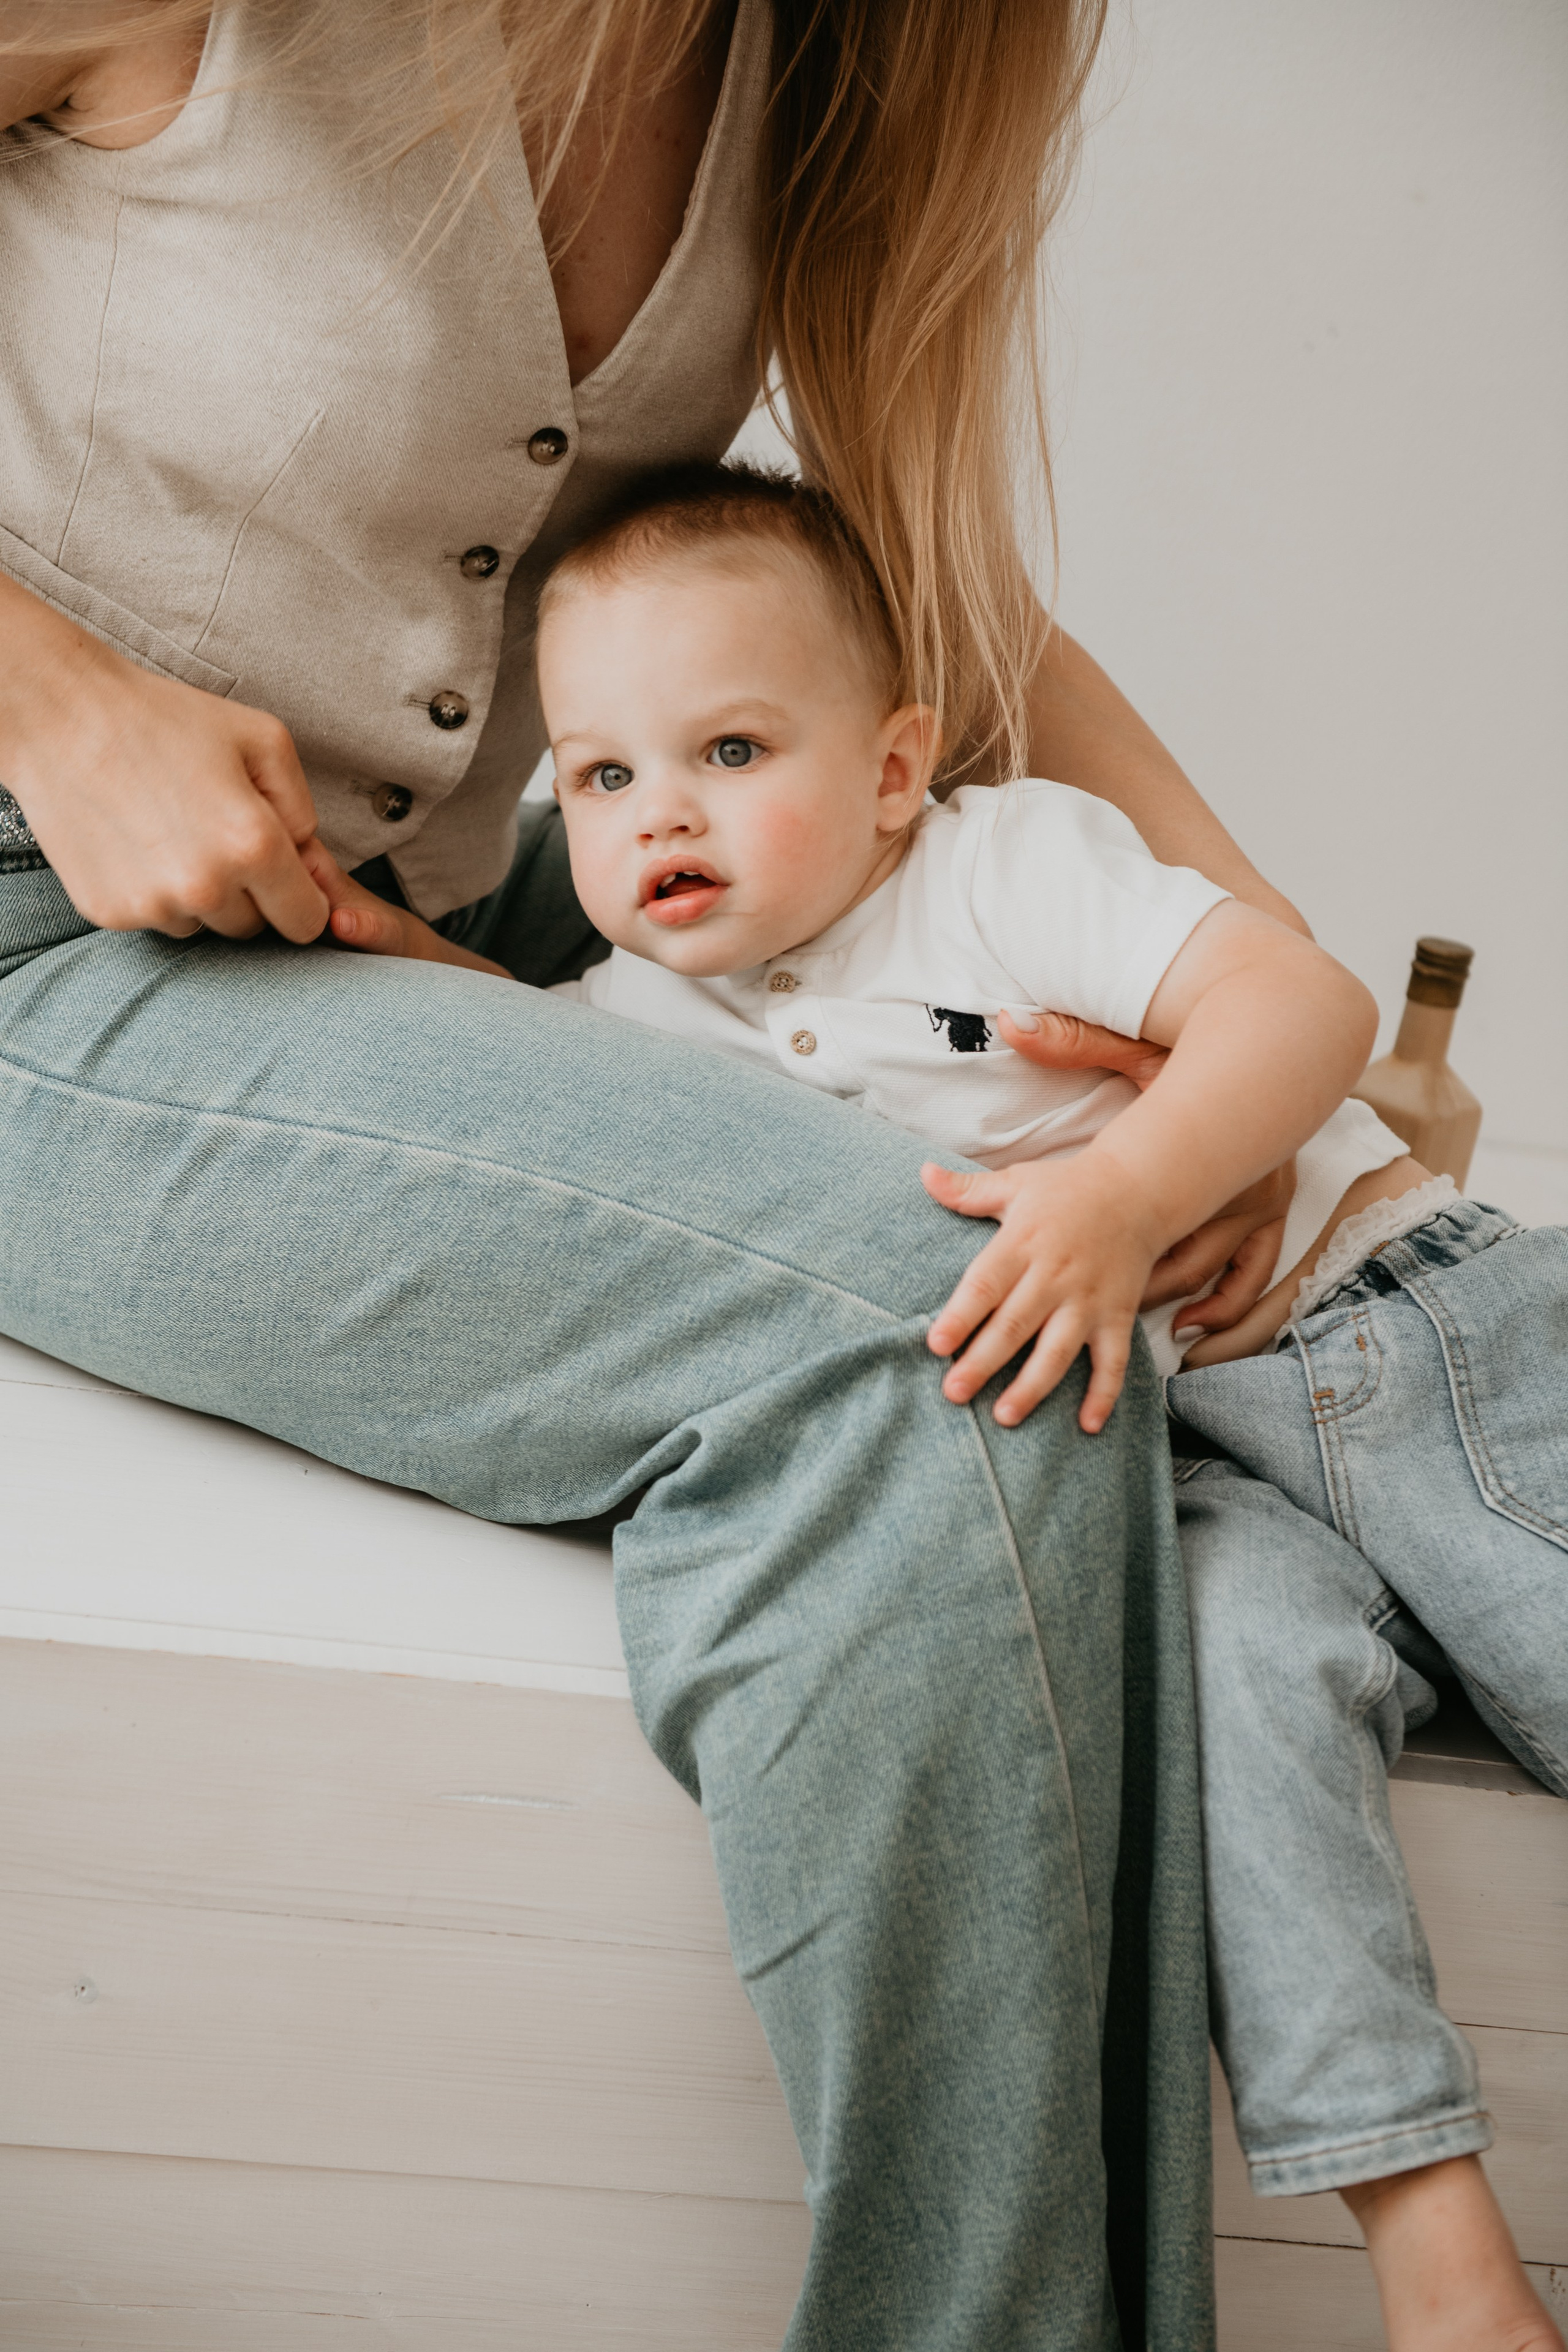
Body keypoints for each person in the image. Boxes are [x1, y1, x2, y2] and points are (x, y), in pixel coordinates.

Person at [0, 5, 1319, 2343]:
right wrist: (56, 700)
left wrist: (1251, 1018)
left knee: (1077, 1225)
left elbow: (919, 586)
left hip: (447, 887)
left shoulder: (827, 54)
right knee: (943, 1331)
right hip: (32, 918)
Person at [318, 461, 1568, 2352]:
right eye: (601, 775)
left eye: (732, 747)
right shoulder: (650, 1035)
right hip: (1206, 1491)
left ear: (896, 769)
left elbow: (1297, 1002)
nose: (661, 811)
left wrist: (1132, 1187)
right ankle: (1442, 2258)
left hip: (1397, 1337)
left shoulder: (996, 872)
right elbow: (451, 1046)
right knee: (1232, 1735)